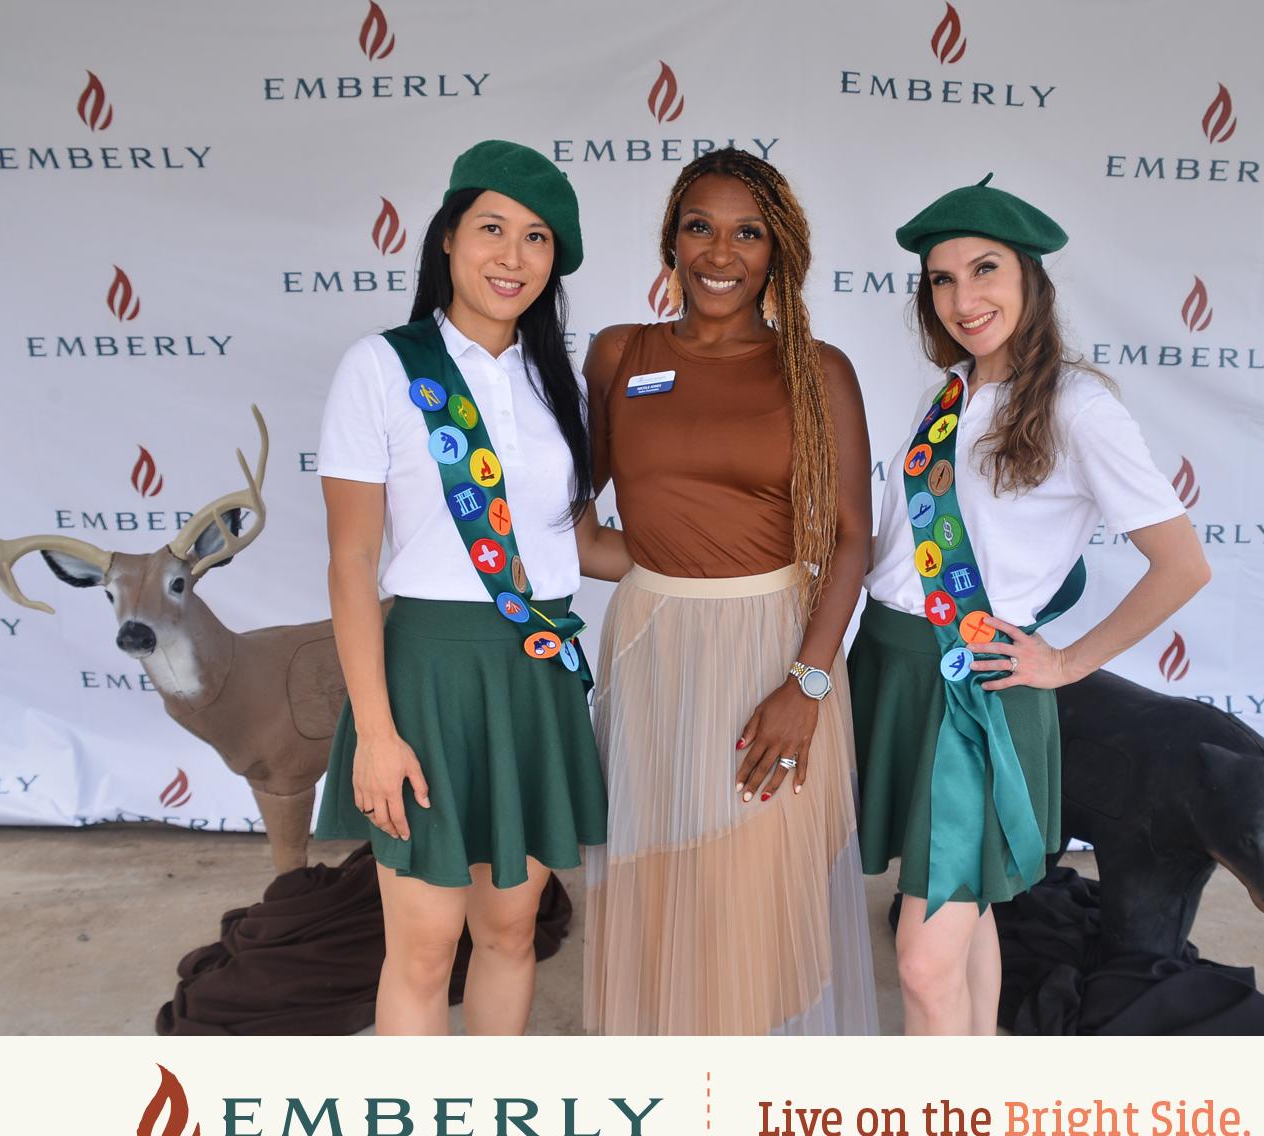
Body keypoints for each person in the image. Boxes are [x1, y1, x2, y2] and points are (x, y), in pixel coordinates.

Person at [850, 174, 1212, 1035]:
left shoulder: (1079, 407)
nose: (963, 298)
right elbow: (901, 553)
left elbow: (1182, 564)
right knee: (965, 920)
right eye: (942, 280)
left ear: (1030, 283)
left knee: (920, 957)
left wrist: (1064, 661)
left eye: (985, 271)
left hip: (973, 692)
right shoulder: (950, 394)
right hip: (894, 670)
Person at [315, 140, 629, 1035]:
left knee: (511, 932)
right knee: (420, 951)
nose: (512, 256)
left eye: (536, 239)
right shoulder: (382, 366)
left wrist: (729, 559)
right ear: (448, 239)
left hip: (535, 678)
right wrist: (376, 732)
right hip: (429, 684)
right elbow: (349, 566)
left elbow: (583, 543)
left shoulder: (553, 382)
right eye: (492, 229)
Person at [580, 149, 878, 1035]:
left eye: (748, 232)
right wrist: (665, 565)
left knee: (756, 908)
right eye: (699, 227)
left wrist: (809, 685)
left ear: (778, 251)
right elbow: (572, 520)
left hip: (775, 659)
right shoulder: (618, 355)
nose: (721, 252)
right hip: (652, 655)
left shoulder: (817, 369)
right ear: (670, 241)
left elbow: (853, 541)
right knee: (661, 892)